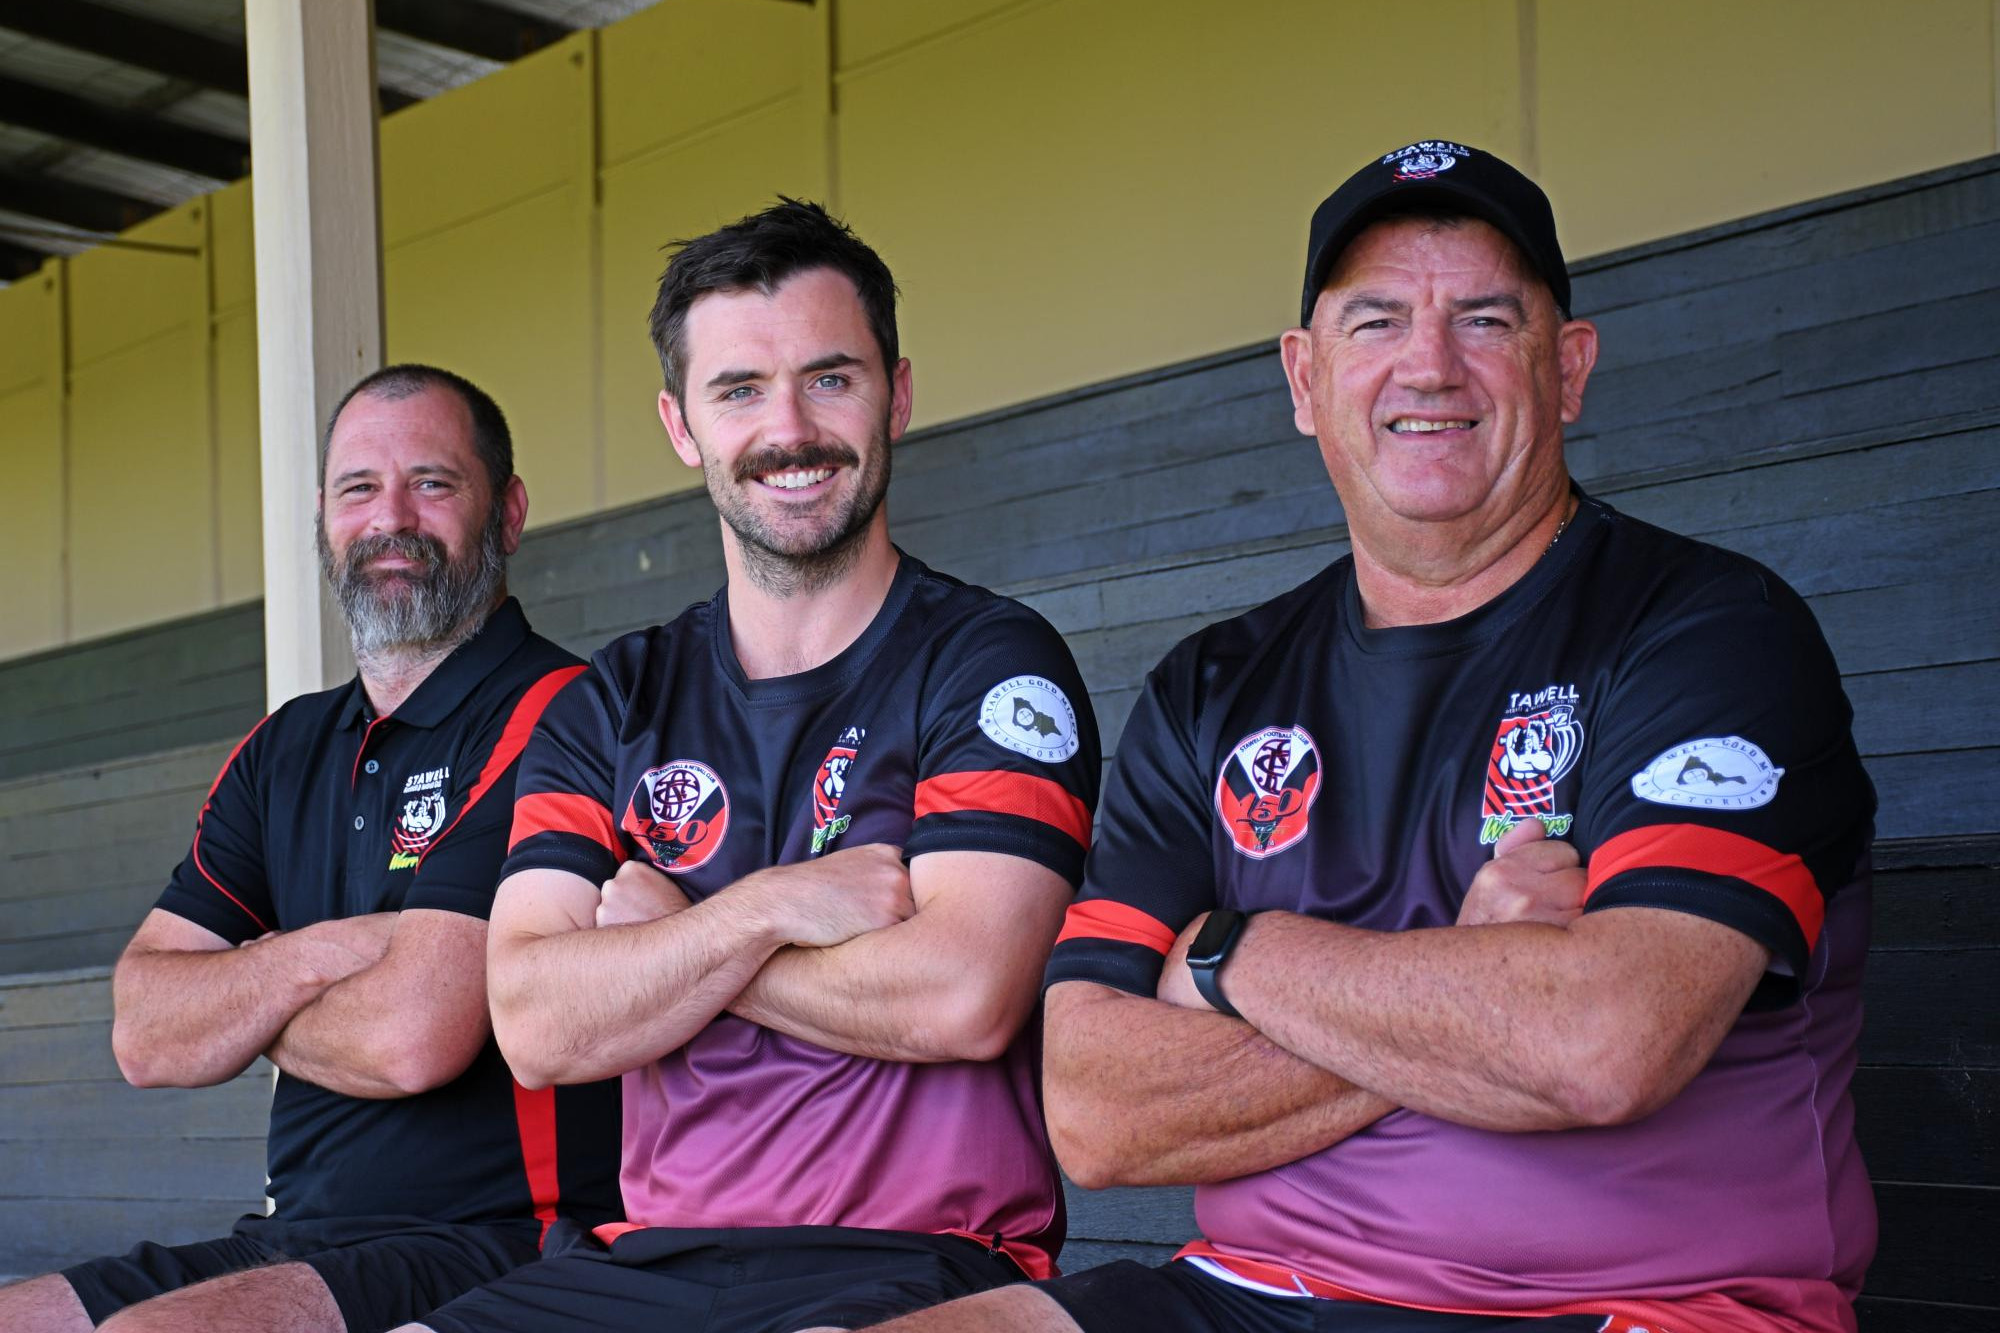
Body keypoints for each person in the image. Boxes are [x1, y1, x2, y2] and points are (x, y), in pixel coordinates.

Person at [858, 142, 1876, 1333]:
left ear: (1569, 369)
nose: (1429, 365)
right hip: (1246, 1295)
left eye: (1485, 318)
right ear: (1302, 378)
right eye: (1376, 319)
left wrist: (1230, 956)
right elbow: (1093, 1111)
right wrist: (1470, 981)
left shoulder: (1706, 630)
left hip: (1634, 1305)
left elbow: (1600, 1042)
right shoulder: (1213, 684)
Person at [400, 200, 1100, 1333]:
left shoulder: (987, 662)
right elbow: (535, 1024)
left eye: (829, 378)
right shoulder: (608, 702)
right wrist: (769, 908)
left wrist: (672, 941)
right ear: (681, 425)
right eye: (739, 391)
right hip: (643, 1263)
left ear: (897, 394)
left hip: (918, 1261)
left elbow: (965, 995)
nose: (789, 428)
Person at [0, 365, 621, 1333]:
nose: (391, 518)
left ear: (507, 512)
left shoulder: (564, 714)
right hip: (298, 1230)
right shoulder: (283, 745)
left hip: (505, 1236)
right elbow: (146, 1034)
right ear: (325, 518)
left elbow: (410, 1037)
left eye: (433, 482)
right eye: (357, 488)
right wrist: (330, 952)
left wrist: (238, 995)